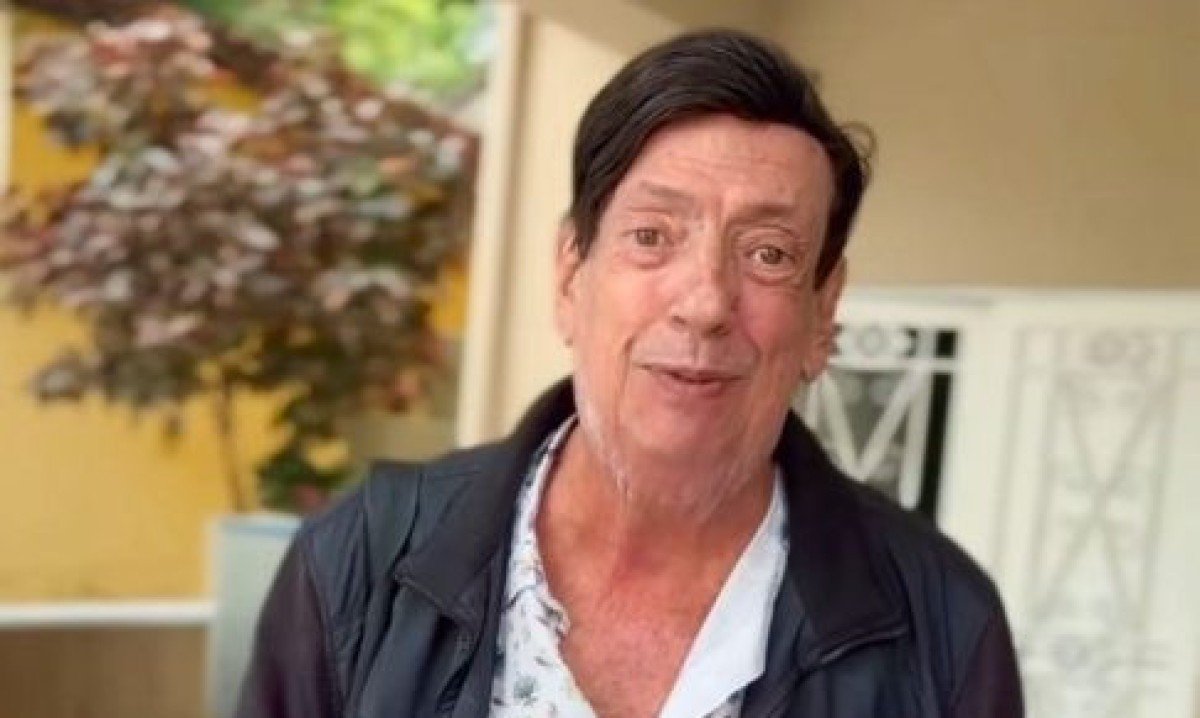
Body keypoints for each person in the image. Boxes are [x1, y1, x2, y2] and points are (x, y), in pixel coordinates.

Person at [236, 29, 1023, 718]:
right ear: (570, 276)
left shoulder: (945, 629)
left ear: (823, 313)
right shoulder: (362, 565)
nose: (705, 303)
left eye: (769, 254)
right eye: (652, 236)